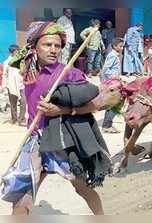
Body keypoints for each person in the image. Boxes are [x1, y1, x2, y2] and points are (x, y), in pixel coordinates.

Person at [1, 21, 110, 215]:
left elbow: (97, 104)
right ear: (34, 47)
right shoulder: (27, 71)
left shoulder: (69, 73)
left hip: (62, 142)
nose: (53, 50)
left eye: (57, 46)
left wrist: (61, 110)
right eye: (47, 45)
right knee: (21, 198)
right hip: (35, 139)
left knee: (83, 188)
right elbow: (18, 59)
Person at [100, 37, 124, 133]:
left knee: (115, 103)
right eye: (120, 46)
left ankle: (107, 124)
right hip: (111, 83)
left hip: (114, 82)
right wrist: (115, 77)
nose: (122, 48)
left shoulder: (116, 55)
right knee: (114, 103)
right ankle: (107, 125)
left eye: (123, 46)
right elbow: (106, 70)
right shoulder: (112, 56)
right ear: (114, 46)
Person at [2, 44, 26, 126]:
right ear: (12, 52)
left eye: (18, 51)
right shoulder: (7, 62)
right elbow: (4, 75)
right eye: (16, 51)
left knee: (23, 102)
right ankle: (14, 119)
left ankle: (22, 119)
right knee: (13, 104)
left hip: (21, 85)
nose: (18, 52)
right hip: (11, 85)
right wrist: (4, 86)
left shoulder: (22, 61)